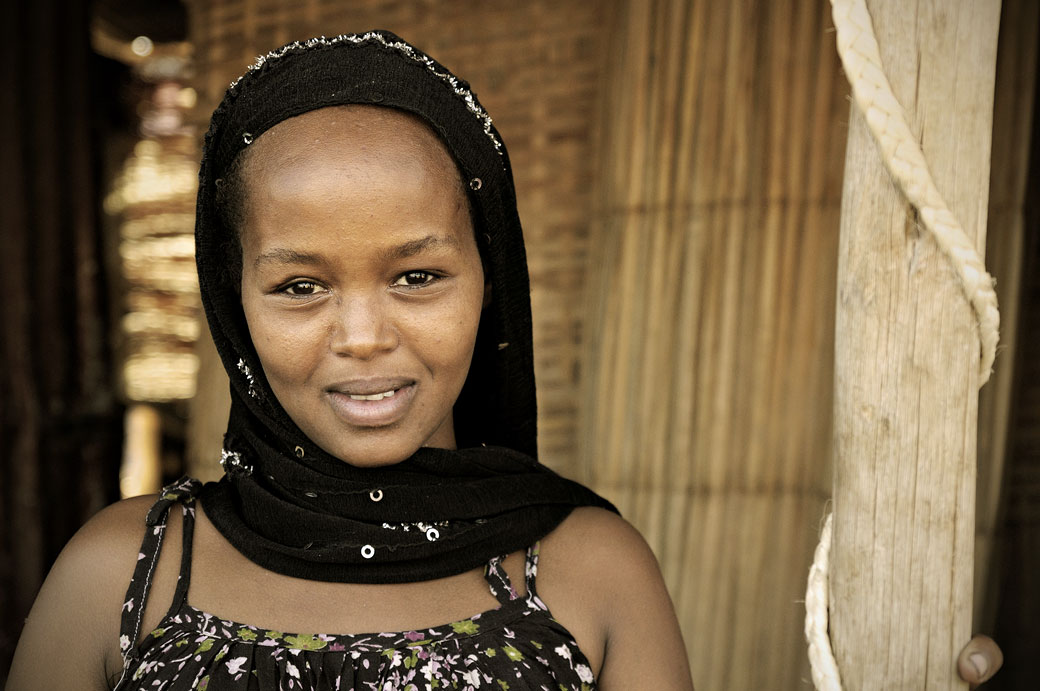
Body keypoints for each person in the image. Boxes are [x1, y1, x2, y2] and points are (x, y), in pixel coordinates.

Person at [6, 31, 1001, 691]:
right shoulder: (123, 575)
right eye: (300, 286)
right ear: (232, 302)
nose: (361, 336)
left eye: (417, 277)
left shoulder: (589, 572)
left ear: (491, 280)